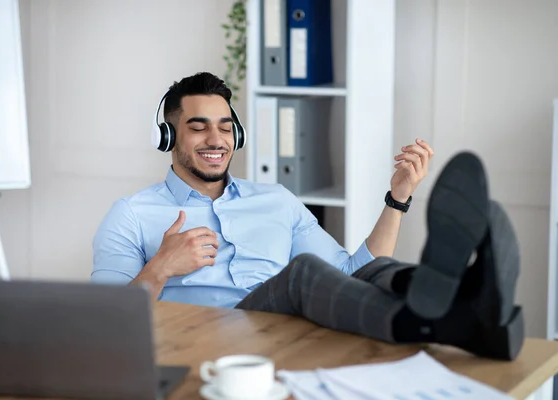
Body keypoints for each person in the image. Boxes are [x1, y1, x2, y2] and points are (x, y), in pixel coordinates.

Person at [92, 72, 523, 360]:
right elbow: (101, 321)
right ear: (168, 136)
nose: (215, 138)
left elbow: (353, 274)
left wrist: (398, 199)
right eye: (198, 126)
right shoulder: (132, 215)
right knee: (302, 274)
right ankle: (461, 320)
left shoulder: (276, 200)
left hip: (285, 338)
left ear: (236, 134)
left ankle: (470, 298)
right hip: (208, 347)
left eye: (225, 126)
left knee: (375, 273)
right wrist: (161, 268)